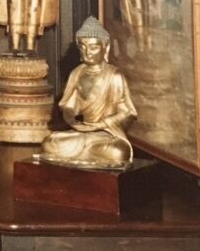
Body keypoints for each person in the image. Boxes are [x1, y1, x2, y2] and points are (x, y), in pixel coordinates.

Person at [40, 16, 137, 169]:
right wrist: (72, 121)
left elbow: (127, 112)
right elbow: (69, 106)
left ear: (105, 48)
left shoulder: (114, 76)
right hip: (83, 132)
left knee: (117, 152)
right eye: (83, 47)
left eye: (93, 47)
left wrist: (100, 124)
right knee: (51, 142)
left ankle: (87, 151)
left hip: (105, 134)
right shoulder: (77, 73)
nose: (87, 52)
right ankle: (84, 151)